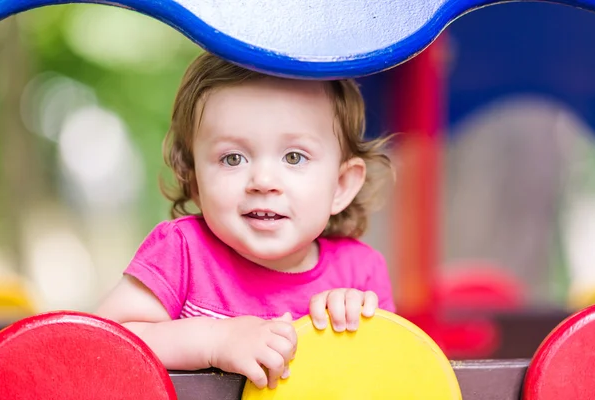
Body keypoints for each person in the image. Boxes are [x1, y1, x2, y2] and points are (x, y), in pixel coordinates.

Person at [96, 51, 395, 390]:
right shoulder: (182, 253)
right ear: (195, 181)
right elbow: (104, 342)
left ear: (341, 185)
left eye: (294, 157)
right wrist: (215, 341)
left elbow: (394, 375)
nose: (263, 180)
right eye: (232, 158)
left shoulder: (359, 273)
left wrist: (361, 329)